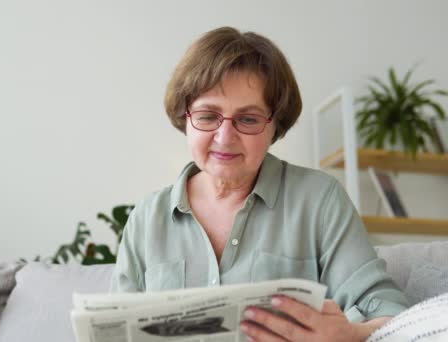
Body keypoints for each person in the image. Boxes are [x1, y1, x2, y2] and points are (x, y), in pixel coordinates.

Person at [110, 27, 408, 341]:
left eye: (248, 119)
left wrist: (349, 334)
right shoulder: (147, 217)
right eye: (208, 116)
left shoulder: (320, 200)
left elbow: (392, 317)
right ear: (185, 117)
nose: (225, 138)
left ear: (274, 125)